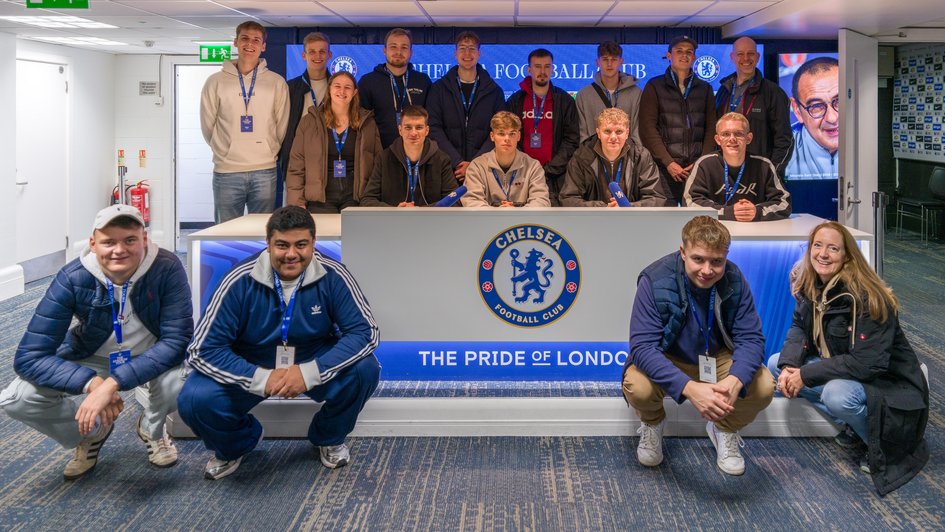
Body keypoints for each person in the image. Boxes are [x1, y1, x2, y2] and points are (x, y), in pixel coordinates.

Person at [178, 206, 380, 480]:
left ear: (313, 243)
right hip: (250, 358)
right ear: (268, 244)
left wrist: (309, 373)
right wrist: (262, 378)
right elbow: (202, 350)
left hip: (312, 354)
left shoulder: (333, 275)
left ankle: (329, 436)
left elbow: (365, 332)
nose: (291, 254)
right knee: (194, 398)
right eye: (282, 245)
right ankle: (238, 443)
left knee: (365, 369)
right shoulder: (239, 280)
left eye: (301, 244)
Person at [0, 205, 193, 480]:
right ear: (93, 244)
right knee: (18, 398)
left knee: (191, 379)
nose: (119, 250)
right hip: (93, 354)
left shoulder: (167, 267)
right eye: (108, 242)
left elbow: (177, 340)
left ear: (144, 239)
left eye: (129, 240)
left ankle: (152, 427)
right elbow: (30, 356)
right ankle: (90, 431)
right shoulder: (73, 277)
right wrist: (92, 384)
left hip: (152, 355)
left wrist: (113, 384)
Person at [768, 222, 929, 495]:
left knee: (837, 395)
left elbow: (867, 364)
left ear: (847, 256)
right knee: (776, 364)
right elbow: (798, 329)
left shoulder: (870, 297)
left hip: (887, 382)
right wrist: (790, 367)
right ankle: (853, 424)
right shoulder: (811, 284)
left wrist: (805, 376)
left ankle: (883, 446)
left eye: (833, 248)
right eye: (817, 246)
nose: (823, 254)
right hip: (850, 371)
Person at [623, 216, 774, 476]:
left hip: (718, 356)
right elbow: (643, 347)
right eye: (698, 259)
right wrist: (690, 389)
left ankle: (723, 429)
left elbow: (751, 338)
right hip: (669, 355)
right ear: (683, 252)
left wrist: (736, 380)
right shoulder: (654, 278)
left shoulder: (735, 278)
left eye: (717, 261)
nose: (707, 270)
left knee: (763, 386)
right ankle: (653, 423)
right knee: (638, 386)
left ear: (726, 256)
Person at [201, 21, 289, 223]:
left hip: (265, 170)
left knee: (263, 233)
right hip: (227, 171)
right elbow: (208, 125)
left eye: (256, 40)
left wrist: (268, 149)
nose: (250, 44)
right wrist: (225, 150)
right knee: (225, 234)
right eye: (245, 39)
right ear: (235, 42)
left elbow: (281, 125)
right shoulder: (215, 81)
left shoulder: (276, 82)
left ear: (263, 46)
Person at [286, 71, 382, 212]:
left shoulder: (367, 123)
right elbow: (296, 165)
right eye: (337, 86)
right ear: (329, 89)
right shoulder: (310, 122)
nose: (342, 91)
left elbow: (378, 163)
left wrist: (374, 198)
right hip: (320, 199)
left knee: (355, 234)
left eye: (347, 87)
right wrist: (297, 201)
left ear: (355, 92)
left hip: (356, 198)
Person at [639, 36, 717, 205]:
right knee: (665, 221)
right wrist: (668, 163)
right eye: (679, 51)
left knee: (699, 220)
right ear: (669, 55)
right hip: (664, 170)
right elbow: (647, 129)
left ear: (694, 57)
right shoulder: (654, 86)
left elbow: (712, 129)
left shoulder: (705, 88)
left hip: (696, 169)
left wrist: (701, 163)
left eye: (689, 52)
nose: (684, 55)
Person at [426, 31, 506, 184]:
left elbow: (498, 131)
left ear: (479, 54)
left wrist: (475, 164)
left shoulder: (495, 91)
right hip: (447, 168)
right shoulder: (438, 89)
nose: (467, 53)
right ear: (455, 54)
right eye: (462, 48)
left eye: (472, 48)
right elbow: (433, 128)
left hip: (484, 169)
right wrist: (456, 161)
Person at [684, 112, 791, 221]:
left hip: (755, 231)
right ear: (718, 139)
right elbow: (690, 202)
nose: (732, 139)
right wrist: (727, 212)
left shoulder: (764, 165)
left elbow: (784, 203)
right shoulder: (704, 164)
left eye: (739, 134)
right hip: (715, 231)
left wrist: (757, 212)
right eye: (725, 134)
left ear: (748, 138)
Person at [506, 48, 579, 206]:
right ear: (529, 70)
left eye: (547, 66)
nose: (542, 71)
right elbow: (508, 137)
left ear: (552, 70)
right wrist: (524, 165)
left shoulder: (564, 101)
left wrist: (549, 169)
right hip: (521, 174)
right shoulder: (515, 101)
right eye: (537, 66)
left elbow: (572, 139)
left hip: (556, 177)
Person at [714, 37, 793, 178]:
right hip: (725, 172)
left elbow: (784, 139)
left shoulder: (773, 93)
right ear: (732, 57)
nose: (746, 58)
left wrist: (771, 173)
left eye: (750, 53)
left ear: (757, 57)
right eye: (740, 54)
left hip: (759, 174)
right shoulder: (724, 90)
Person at [560, 108, 668, 207]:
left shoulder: (641, 156)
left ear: (627, 133)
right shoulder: (582, 157)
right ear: (598, 133)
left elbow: (656, 198)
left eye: (619, 132)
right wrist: (602, 208)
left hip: (632, 221)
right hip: (593, 222)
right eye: (607, 131)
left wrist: (627, 207)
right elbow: (568, 199)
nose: (613, 137)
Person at [361, 105, 458, 207]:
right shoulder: (384, 158)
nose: (413, 133)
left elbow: (455, 201)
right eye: (408, 127)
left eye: (419, 127)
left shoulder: (442, 159)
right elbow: (367, 199)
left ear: (427, 130)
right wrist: (395, 211)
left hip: (429, 221)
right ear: (400, 130)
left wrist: (419, 211)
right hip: (394, 221)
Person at [279, 32, 333, 202]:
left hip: (328, 160)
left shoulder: (337, 88)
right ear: (304, 55)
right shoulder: (290, 88)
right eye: (312, 52)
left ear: (329, 55)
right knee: (294, 215)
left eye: (322, 51)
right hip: (297, 161)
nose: (317, 56)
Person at [358, 28, 433, 149]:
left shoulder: (423, 81)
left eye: (404, 47)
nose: (399, 51)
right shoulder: (368, 82)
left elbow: (431, 119)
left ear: (411, 52)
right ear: (384, 50)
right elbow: (361, 122)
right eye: (393, 47)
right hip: (379, 152)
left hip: (417, 152)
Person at [461, 111, 550, 207]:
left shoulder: (533, 166)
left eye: (512, 134)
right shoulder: (477, 166)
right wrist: (498, 213)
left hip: (523, 221)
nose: (507, 138)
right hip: (488, 221)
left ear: (518, 136)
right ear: (492, 136)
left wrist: (516, 212)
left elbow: (542, 201)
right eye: (501, 133)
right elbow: (471, 201)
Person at [575, 41, 643, 146]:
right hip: (593, 158)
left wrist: (630, 157)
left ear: (621, 61)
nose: (609, 64)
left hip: (628, 158)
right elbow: (582, 133)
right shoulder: (583, 95)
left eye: (614, 59)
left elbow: (637, 132)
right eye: (605, 59)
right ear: (597, 62)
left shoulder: (636, 94)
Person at [785, 57, 839, 180]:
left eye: (839, 101)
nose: (832, 118)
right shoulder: (782, 153)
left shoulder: (870, 143)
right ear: (797, 110)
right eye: (816, 106)